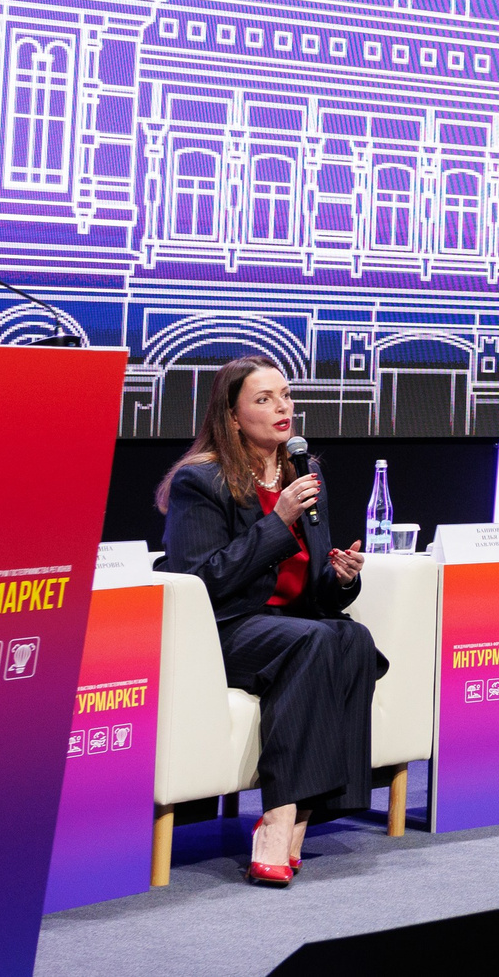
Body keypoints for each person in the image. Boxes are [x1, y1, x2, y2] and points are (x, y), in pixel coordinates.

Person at [157, 357, 381, 886]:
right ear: (232, 417)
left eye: (285, 395)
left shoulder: (305, 471)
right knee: (314, 643)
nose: (282, 408)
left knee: (352, 636)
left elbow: (315, 584)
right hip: (227, 627)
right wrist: (276, 522)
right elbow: (201, 580)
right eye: (263, 399)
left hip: (291, 624)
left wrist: (344, 578)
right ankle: (281, 815)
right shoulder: (201, 480)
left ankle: (303, 814)